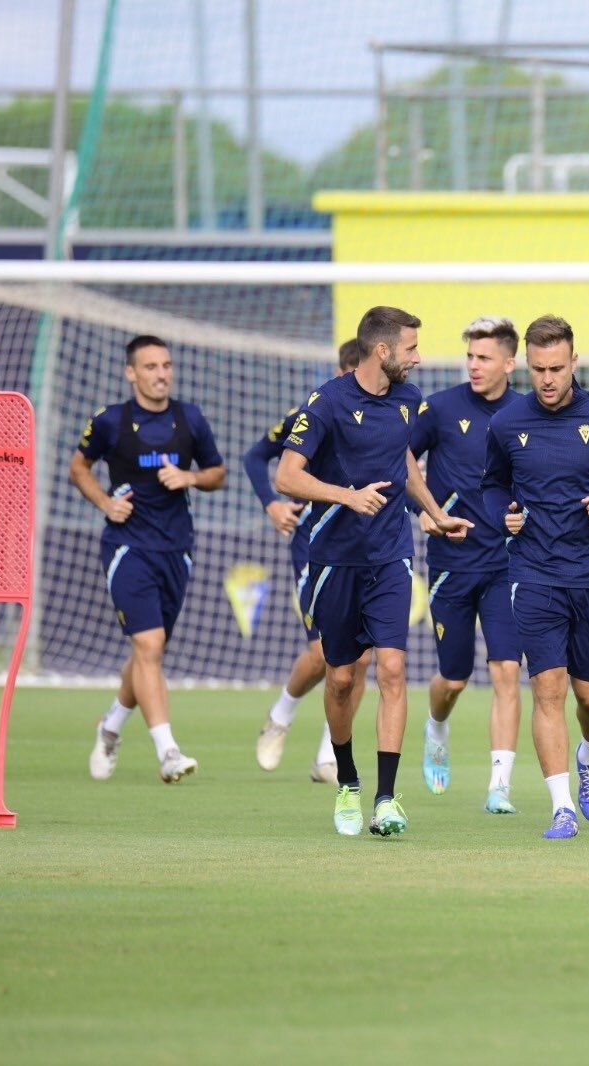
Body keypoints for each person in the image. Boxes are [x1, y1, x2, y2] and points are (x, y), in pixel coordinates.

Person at [275, 306, 470, 838]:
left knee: (390, 669)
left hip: (391, 557)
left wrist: (434, 512)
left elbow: (403, 462)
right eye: (410, 347)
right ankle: (348, 783)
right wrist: (346, 496)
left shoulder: (409, 399)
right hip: (334, 560)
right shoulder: (325, 402)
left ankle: (386, 798)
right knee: (340, 679)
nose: (418, 356)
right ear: (382, 351)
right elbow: (287, 476)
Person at [481, 315, 589, 840]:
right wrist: (502, 516)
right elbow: (491, 486)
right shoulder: (507, 424)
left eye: (557, 368)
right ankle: (561, 807)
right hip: (533, 573)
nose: (548, 379)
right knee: (548, 690)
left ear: (574, 362)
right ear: (526, 366)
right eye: (538, 369)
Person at [74, 335, 226, 784]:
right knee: (149, 647)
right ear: (131, 373)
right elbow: (78, 467)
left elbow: (217, 472)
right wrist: (105, 502)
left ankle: (111, 726)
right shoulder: (110, 421)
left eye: (166, 365)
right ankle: (168, 751)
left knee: (148, 653)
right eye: (151, 367)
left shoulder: (189, 419)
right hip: (127, 547)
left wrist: (190, 477)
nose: (161, 374)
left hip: (176, 550)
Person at [411, 316, 524, 813]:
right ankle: (437, 727)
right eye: (470, 357)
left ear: (508, 362)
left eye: (484, 357)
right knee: (453, 679)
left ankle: (500, 784)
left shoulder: (528, 412)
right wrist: (425, 513)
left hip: (508, 565)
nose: (474, 366)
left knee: (506, 671)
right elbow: (400, 462)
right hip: (451, 564)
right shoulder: (438, 408)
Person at [245, 338, 366, 783]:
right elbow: (256, 455)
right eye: (346, 374)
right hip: (315, 545)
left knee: (363, 661)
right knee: (324, 652)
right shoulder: (313, 414)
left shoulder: (385, 416)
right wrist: (271, 504)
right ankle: (280, 715)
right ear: (340, 372)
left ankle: (328, 757)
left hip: (368, 548)